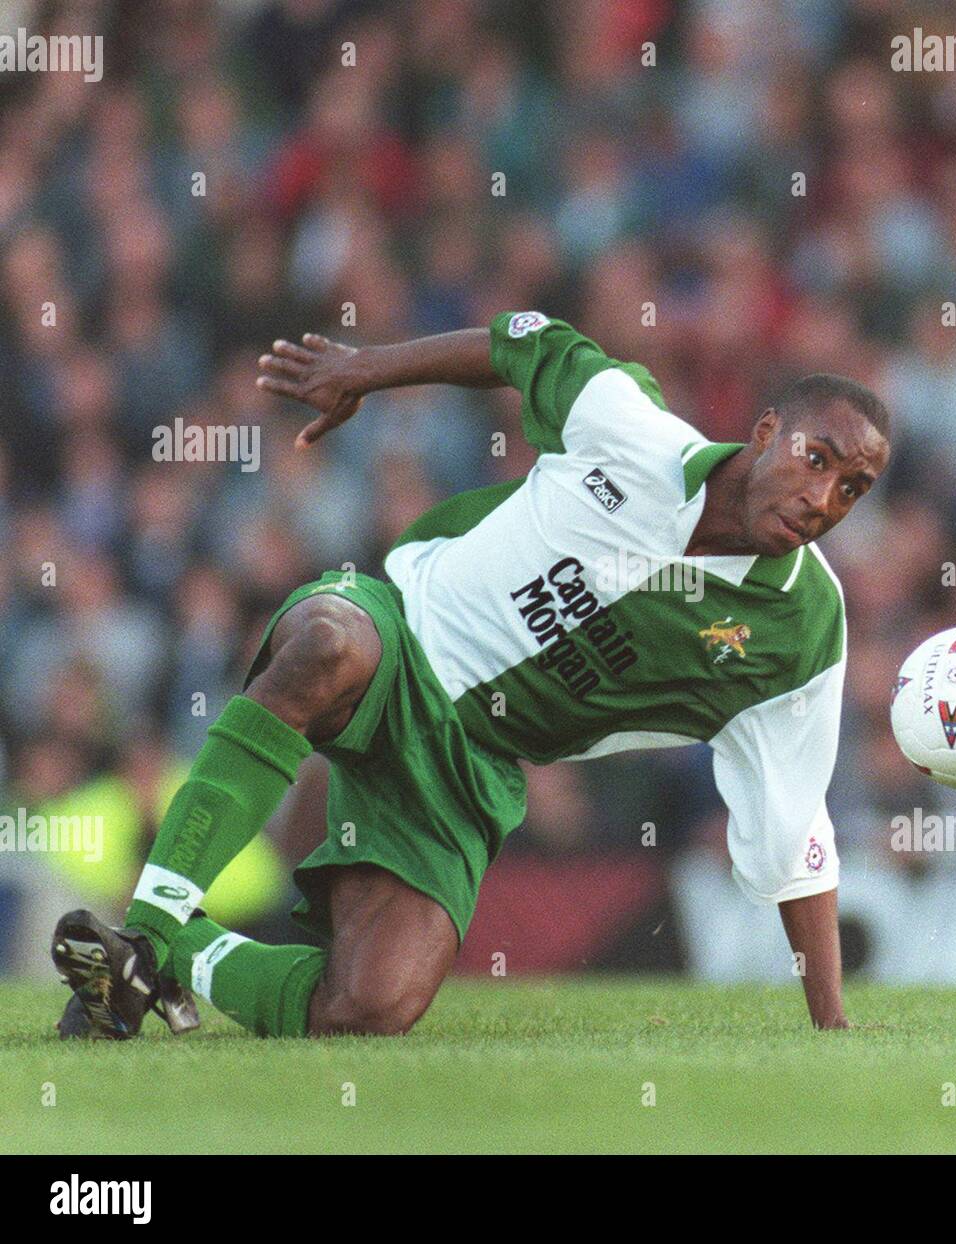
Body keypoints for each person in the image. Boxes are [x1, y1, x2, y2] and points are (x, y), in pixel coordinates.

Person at [52, 311, 890, 1038]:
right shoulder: (628, 430)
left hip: (466, 767)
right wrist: (363, 370)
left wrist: (831, 1022)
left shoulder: (801, 630)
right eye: (818, 459)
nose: (824, 499)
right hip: (401, 632)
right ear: (768, 429)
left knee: (368, 1009)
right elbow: (521, 340)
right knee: (325, 642)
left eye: (852, 488)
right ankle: (152, 926)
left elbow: (794, 828)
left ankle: (167, 958)